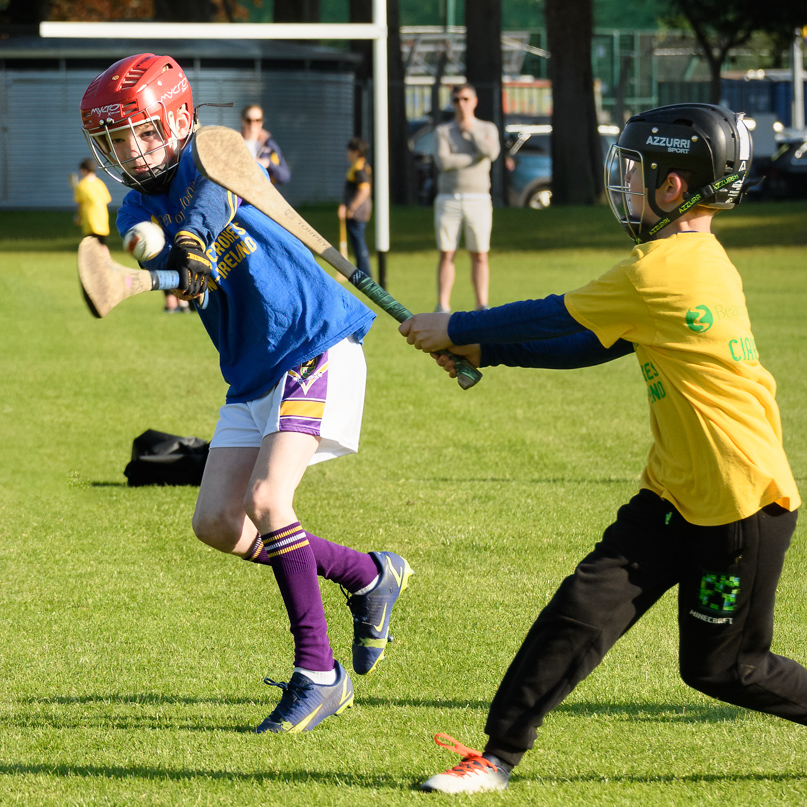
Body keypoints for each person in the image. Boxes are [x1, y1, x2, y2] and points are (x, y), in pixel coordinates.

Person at [400, 103, 805, 793]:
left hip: (739, 503)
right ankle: (495, 757)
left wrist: (454, 323)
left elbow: (550, 313)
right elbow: (591, 343)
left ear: (675, 187)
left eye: (639, 172)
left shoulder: (663, 270)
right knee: (580, 609)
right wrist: (482, 352)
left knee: (723, 667)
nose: (629, 184)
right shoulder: (688, 261)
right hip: (674, 491)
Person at [80, 53, 412, 734]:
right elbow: (168, 261)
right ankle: (367, 574)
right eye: (114, 142)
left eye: (139, 133)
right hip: (252, 369)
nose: (128, 152)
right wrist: (170, 264)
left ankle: (317, 675)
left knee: (267, 501)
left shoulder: (213, 150)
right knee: (217, 523)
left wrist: (195, 240)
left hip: (312, 341)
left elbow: (211, 195)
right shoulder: (138, 204)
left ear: (173, 118)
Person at [433, 83, 500, 313]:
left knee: (480, 254)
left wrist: (470, 133)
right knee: (447, 253)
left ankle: (482, 304)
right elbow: (443, 162)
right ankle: (443, 304)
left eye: (465, 99)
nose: (461, 104)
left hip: (479, 198)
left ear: (474, 101)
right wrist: (474, 157)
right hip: (448, 198)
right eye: (456, 100)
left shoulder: (487, 128)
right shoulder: (444, 130)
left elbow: (491, 153)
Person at [337, 137, 373, 279]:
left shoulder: (358, 168)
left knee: (359, 242)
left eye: (349, 150)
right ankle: (361, 272)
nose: (347, 153)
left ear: (356, 152)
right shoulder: (361, 165)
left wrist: (351, 208)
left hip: (358, 212)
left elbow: (364, 190)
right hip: (359, 211)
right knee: (357, 242)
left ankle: (364, 274)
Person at [240, 103, 291, 186]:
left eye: (257, 120)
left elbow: (285, 176)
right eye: (249, 120)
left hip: (262, 193)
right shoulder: (234, 143)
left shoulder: (269, 145)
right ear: (243, 120)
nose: (253, 124)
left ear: (262, 122)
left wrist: (268, 163)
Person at [73, 157, 111, 244]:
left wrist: (79, 217)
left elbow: (80, 204)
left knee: (91, 247)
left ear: (84, 170)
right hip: (102, 219)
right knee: (101, 245)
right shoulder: (100, 183)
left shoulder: (82, 185)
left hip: (89, 220)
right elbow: (107, 199)